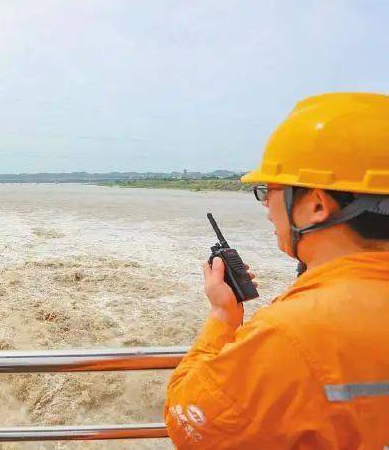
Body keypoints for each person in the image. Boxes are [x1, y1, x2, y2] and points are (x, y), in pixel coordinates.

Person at [164, 92, 389, 448]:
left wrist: (223, 316)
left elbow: (190, 423)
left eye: (270, 189)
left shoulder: (291, 334)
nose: (266, 202)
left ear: (317, 205)